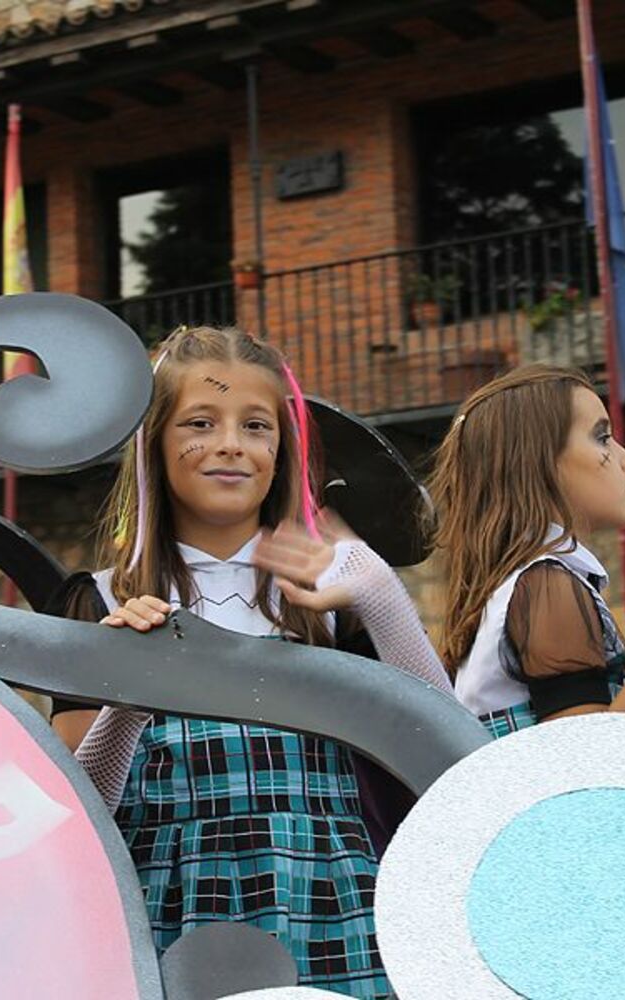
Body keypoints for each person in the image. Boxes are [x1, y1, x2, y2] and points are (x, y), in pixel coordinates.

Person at [54, 325, 449, 998]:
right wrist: (129, 698)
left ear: (282, 450)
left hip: (332, 898)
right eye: (200, 422)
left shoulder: (330, 596)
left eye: (257, 425)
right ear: (153, 444)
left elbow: (446, 751)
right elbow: (79, 810)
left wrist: (382, 595)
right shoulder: (99, 601)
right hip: (170, 908)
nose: (232, 443)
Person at [427, 363, 625, 737]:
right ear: (538, 463)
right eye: (602, 437)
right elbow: (593, 754)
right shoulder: (547, 584)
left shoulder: (529, 580)